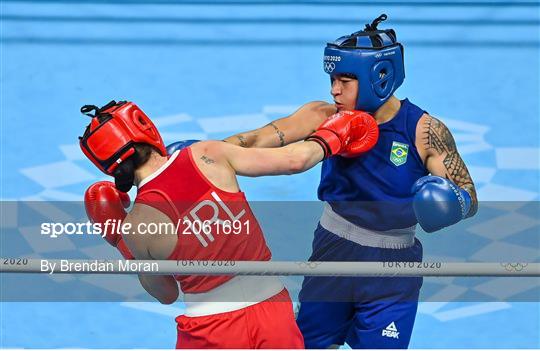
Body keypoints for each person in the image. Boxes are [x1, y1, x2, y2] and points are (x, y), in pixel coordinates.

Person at [222, 14, 478, 349]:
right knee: (309, 346)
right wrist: (203, 154)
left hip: (394, 266)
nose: (334, 89)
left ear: (379, 77)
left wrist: (450, 204)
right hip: (333, 249)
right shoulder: (324, 116)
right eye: (332, 78)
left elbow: (469, 196)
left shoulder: (424, 131)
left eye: (345, 79)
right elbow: (258, 139)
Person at [79, 100, 378, 348]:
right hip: (271, 311)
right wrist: (334, 135)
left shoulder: (136, 226)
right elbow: (294, 161)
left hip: (209, 329)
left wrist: (121, 242)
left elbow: (165, 294)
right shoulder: (206, 155)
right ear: (145, 127)